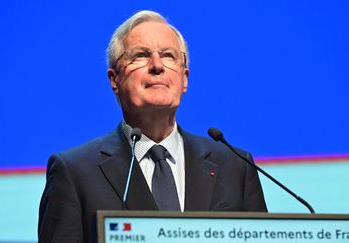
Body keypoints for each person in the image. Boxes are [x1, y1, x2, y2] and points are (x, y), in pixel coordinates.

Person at [38, 10, 267, 243]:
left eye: (168, 56)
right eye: (140, 55)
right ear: (114, 79)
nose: (157, 66)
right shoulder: (75, 172)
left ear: (184, 78)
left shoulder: (235, 166)